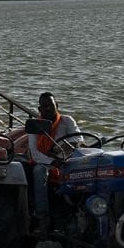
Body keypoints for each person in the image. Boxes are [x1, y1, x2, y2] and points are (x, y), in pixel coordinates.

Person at [27, 92, 79, 235]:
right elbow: (35, 153)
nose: (48, 108)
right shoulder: (35, 126)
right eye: (44, 106)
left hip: (66, 160)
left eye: (51, 105)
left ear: (57, 106)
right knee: (39, 171)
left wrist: (60, 155)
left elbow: (77, 142)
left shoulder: (67, 121)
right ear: (39, 110)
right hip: (45, 163)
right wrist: (53, 161)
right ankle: (42, 217)